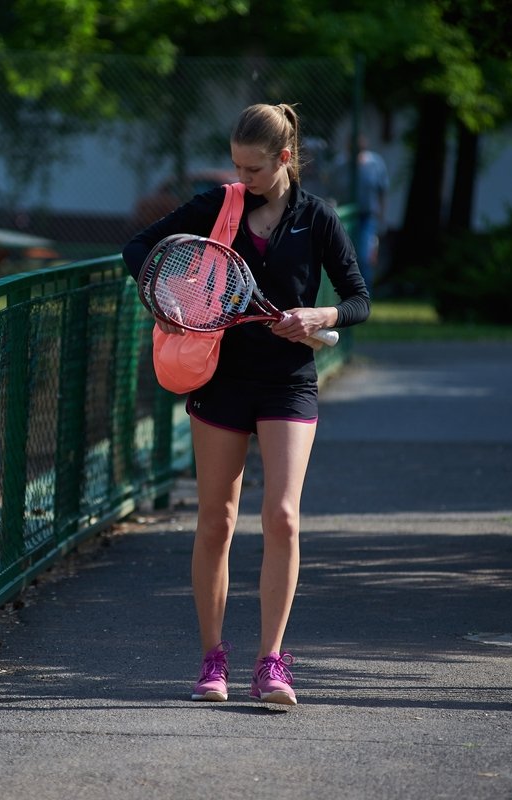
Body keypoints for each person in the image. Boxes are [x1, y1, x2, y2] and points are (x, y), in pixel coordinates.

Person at [122, 103, 370, 705]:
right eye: (237, 165)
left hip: (289, 381)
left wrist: (321, 314)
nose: (242, 178)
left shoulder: (319, 218)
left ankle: (272, 663)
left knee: (282, 515)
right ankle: (213, 660)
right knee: (217, 519)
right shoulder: (218, 206)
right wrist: (184, 303)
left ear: (285, 158)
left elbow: (360, 298)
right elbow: (140, 253)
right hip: (222, 381)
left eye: (253, 169)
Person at [353, 135, 389, 289]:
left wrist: (381, 218)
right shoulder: (341, 164)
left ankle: (364, 294)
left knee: (365, 257)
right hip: (348, 216)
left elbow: (382, 192)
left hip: (368, 217)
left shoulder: (375, 163)